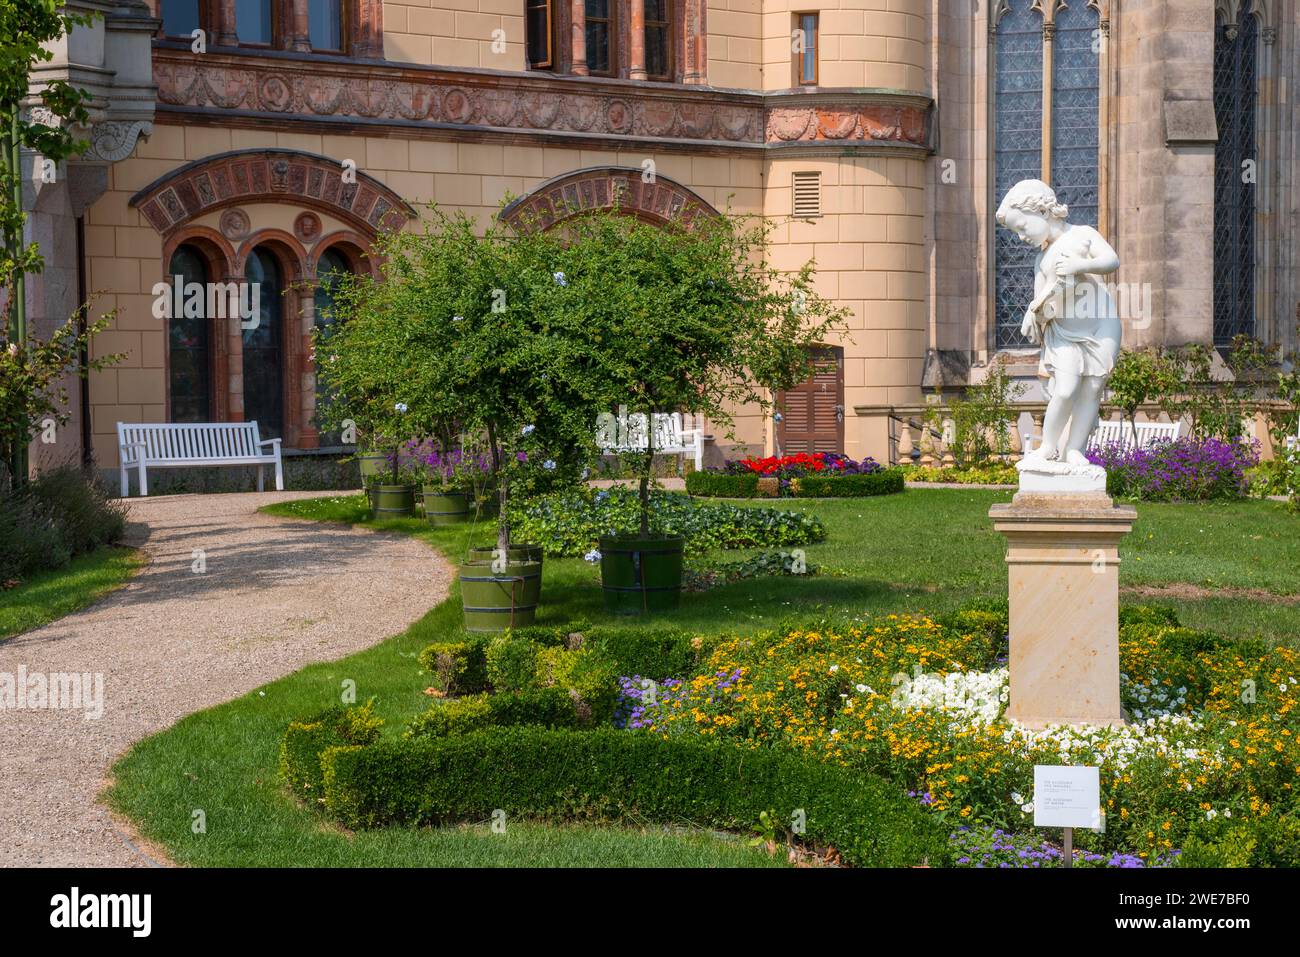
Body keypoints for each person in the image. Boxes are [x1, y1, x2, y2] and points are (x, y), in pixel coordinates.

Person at [996, 179, 1122, 467]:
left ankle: (1075, 449)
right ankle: (1049, 447)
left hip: (1101, 326)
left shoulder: (1083, 234)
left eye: (1022, 227)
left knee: (1091, 390)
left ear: (1041, 212)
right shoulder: (1041, 259)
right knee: (1065, 390)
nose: (1020, 237)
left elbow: (1111, 260)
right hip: (1064, 332)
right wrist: (1033, 312)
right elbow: (1043, 298)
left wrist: (1081, 266)